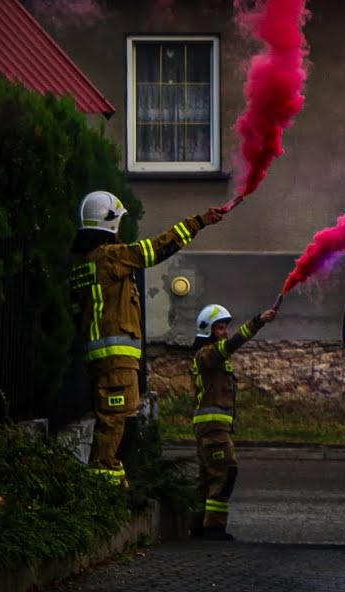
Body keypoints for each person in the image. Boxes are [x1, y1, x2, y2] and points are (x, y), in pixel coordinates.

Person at [68, 191, 225, 490]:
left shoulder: (85, 264)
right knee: (115, 423)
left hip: (103, 360)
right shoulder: (109, 257)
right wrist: (200, 222)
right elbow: (155, 249)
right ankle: (104, 492)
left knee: (115, 422)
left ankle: (114, 486)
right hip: (115, 361)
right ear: (110, 224)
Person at [190, 303, 278, 541]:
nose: (224, 332)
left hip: (209, 426)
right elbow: (231, 345)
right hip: (214, 428)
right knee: (225, 472)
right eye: (219, 328)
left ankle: (197, 526)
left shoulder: (208, 357)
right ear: (208, 330)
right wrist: (257, 321)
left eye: (225, 328)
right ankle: (214, 528)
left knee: (207, 478)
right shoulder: (208, 354)